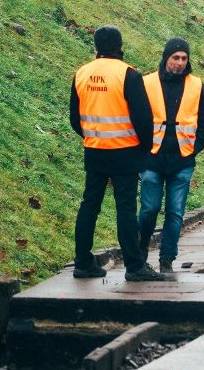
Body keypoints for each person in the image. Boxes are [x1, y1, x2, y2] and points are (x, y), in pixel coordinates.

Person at [70, 25, 163, 282]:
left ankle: (82, 261)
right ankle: (134, 266)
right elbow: (144, 118)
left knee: (89, 206)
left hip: (94, 150)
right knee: (125, 209)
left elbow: (75, 119)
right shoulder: (129, 75)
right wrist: (144, 148)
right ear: (120, 46)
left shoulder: (82, 73)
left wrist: (94, 134)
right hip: (125, 152)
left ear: (96, 47)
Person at [138, 37, 204, 276]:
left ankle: (167, 259)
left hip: (182, 161)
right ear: (166, 58)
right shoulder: (146, 83)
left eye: (184, 58)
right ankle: (140, 254)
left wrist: (194, 148)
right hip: (151, 159)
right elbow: (136, 119)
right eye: (176, 58)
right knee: (149, 209)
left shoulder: (196, 85)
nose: (180, 63)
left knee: (175, 212)